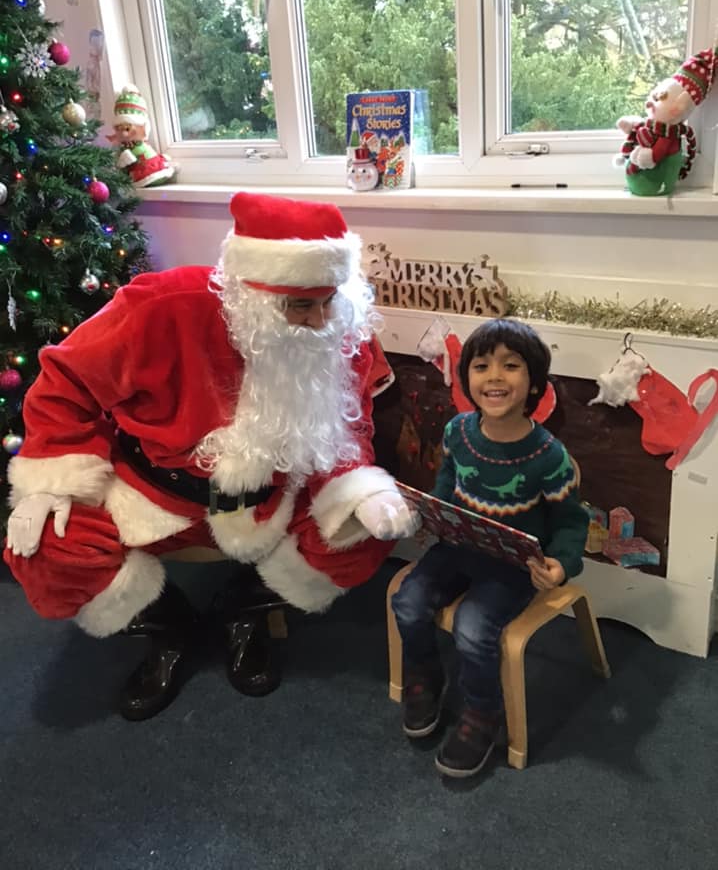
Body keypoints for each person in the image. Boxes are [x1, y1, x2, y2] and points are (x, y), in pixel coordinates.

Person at [4, 191, 417, 720]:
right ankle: (170, 627)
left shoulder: (339, 327)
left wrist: (359, 489)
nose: (320, 321)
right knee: (49, 549)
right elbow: (65, 381)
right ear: (251, 294)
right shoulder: (162, 306)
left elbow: (344, 430)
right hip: (156, 494)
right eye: (300, 306)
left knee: (365, 531)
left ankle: (241, 609)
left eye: (328, 300)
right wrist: (50, 483)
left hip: (275, 499)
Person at [391, 318, 588, 779]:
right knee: (408, 601)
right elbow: (446, 483)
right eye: (481, 366)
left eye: (510, 366)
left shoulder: (548, 456)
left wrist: (560, 565)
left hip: (512, 566)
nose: (494, 376)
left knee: (474, 627)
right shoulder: (458, 432)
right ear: (467, 379)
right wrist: (432, 514)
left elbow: (570, 521)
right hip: (458, 546)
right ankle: (424, 674)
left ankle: (482, 712)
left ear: (534, 383)